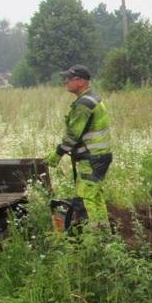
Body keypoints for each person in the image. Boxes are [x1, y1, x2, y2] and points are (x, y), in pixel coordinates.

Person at [50, 64, 112, 227]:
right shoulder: (92, 98)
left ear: (80, 82)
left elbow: (72, 135)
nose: (66, 82)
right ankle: (103, 233)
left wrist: (57, 154)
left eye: (69, 79)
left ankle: (92, 239)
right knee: (95, 196)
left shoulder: (84, 104)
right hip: (99, 156)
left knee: (84, 199)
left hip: (92, 158)